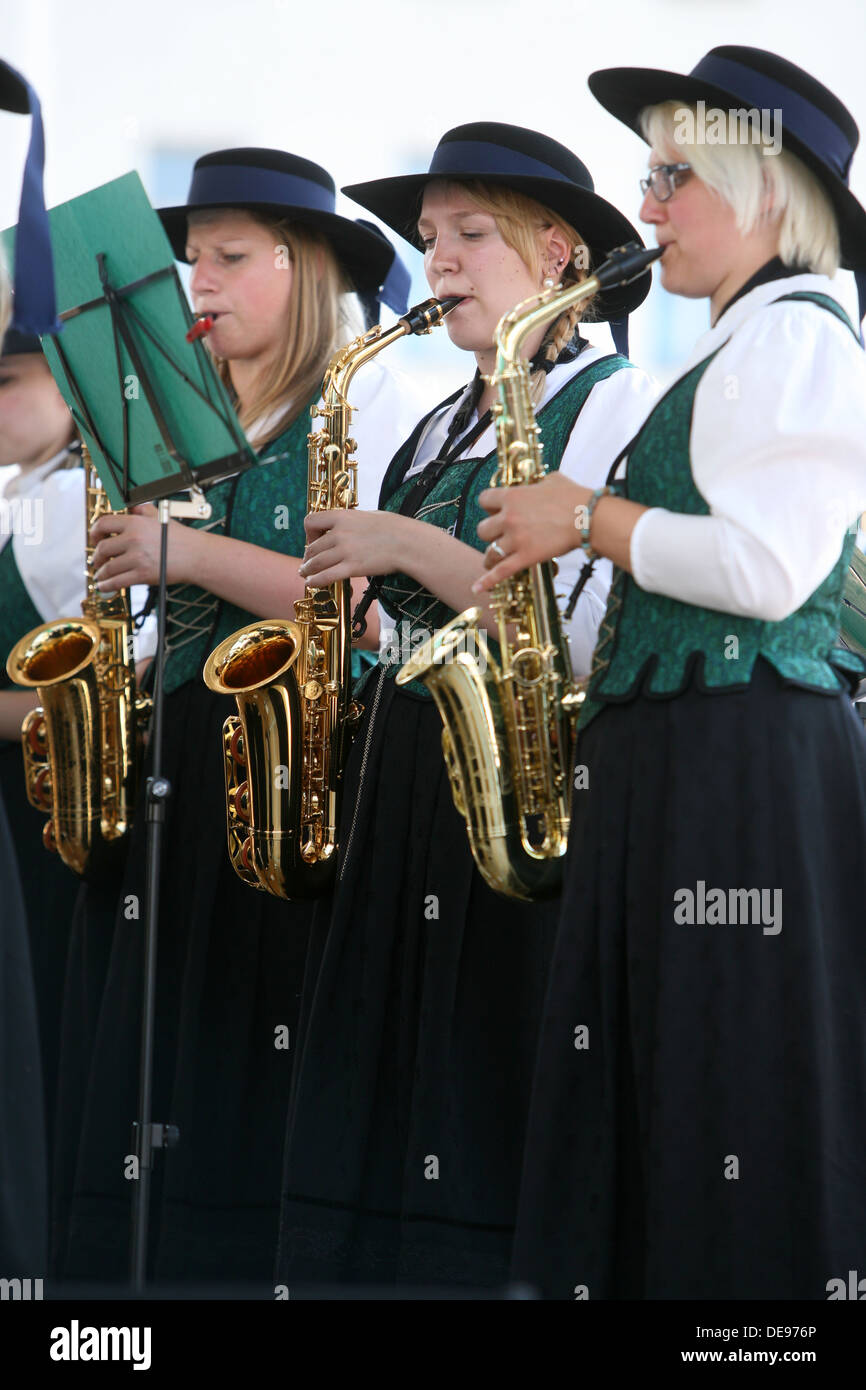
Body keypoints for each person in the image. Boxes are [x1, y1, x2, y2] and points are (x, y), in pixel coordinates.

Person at [472, 48, 866, 1300]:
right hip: (690, 764)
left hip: (740, 772)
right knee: (677, 1085)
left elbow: (764, 570)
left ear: (761, 191)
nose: (644, 208)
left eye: (671, 176)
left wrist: (584, 519)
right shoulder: (736, 348)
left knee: (726, 1085)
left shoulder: (798, 340)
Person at [276, 122, 658, 1289]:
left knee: (485, 1064)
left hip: (514, 782)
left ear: (555, 254)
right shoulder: (444, 413)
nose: (435, 259)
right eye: (429, 237)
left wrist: (401, 542)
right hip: (408, 763)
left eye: (468, 234)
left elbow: (576, 628)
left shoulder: (614, 397)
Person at [53, 147, 430, 1285]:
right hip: (184, 757)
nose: (196, 285)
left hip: (285, 778)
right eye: (188, 262)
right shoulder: (190, 415)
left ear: (301, 265)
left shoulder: (365, 398)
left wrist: (183, 549)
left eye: (227, 258)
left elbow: (355, 611)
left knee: (246, 1067)